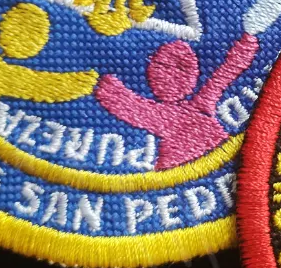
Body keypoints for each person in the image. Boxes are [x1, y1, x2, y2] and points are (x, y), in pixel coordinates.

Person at [95, 33, 259, 169]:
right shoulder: (198, 102)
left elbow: (125, 104)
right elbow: (227, 71)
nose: (171, 77)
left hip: (194, 165)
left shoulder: (168, 113)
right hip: (206, 161)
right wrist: (245, 47)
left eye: (179, 69)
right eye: (164, 69)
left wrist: (102, 85)